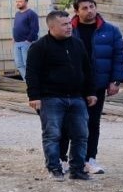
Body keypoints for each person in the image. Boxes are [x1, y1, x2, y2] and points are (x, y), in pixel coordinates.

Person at [26, 10, 97, 181]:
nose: (69, 27)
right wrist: (34, 96)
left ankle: (77, 170)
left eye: (69, 23)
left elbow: (87, 70)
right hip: (51, 98)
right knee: (53, 134)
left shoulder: (77, 44)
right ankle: (54, 168)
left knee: (81, 134)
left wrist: (91, 92)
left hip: (76, 97)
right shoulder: (39, 47)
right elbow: (32, 73)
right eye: (64, 24)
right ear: (52, 27)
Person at [63, 0, 123, 174]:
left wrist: (115, 81)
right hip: (72, 85)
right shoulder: (68, 29)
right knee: (68, 123)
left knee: (92, 122)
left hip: (97, 84)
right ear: (76, 11)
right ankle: (65, 159)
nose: (89, 10)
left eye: (92, 6)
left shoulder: (111, 30)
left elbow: (119, 57)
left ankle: (89, 159)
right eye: (84, 8)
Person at [12, 0, 39, 81]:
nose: (18, 3)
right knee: (19, 64)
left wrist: (29, 40)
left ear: (26, 2)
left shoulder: (31, 14)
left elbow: (35, 28)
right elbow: (15, 26)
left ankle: (32, 81)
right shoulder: (17, 14)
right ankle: (27, 81)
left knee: (27, 63)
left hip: (26, 42)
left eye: (20, 1)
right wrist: (14, 37)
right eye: (17, 1)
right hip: (17, 43)